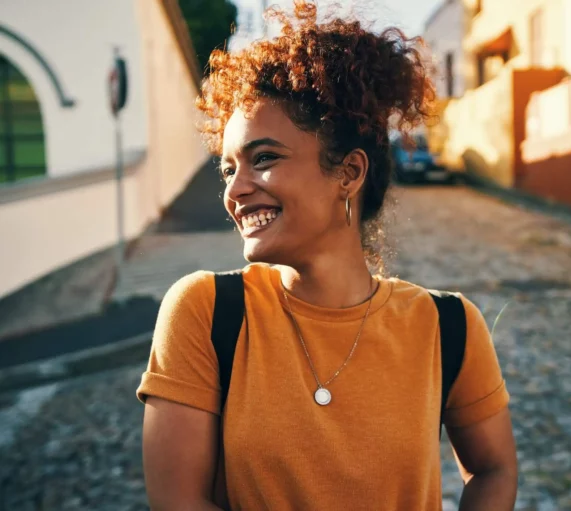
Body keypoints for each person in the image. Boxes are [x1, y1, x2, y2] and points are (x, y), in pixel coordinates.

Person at [137, 2, 517, 509]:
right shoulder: (206, 312)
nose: (235, 189)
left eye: (264, 158)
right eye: (228, 168)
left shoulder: (448, 325)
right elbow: (178, 502)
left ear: (349, 173)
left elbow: (494, 468)